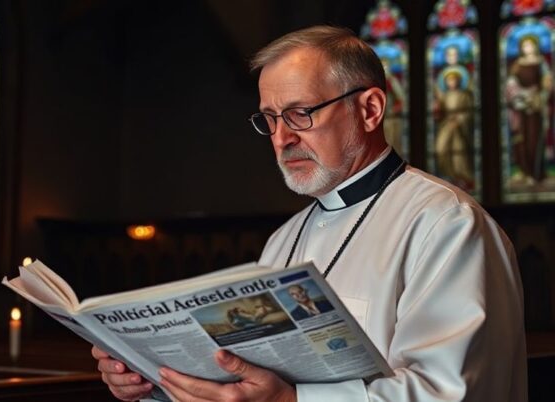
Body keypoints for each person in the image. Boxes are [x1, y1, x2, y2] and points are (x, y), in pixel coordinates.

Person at [92, 26, 526, 402]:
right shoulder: (284, 238)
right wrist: (154, 384)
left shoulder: (446, 224)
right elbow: (244, 383)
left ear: (370, 109)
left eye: (300, 114)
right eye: (270, 119)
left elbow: (450, 392)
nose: (282, 138)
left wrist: (291, 399)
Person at [505, 35, 552, 185]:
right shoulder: (517, 65)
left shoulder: (541, 63)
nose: (528, 48)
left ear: (536, 47)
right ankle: (525, 172)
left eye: (531, 45)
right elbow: (510, 84)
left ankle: (538, 173)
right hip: (521, 108)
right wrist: (520, 97)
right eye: (525, 46)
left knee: (535, 140)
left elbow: (547, 83)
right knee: (521, 140)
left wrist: (540, 96)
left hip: (536, 107)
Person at [434, 68, 475, 189]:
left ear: (459, 81)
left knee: (459, 151)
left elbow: (468, 112)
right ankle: (449, 175)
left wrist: (459, 120)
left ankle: (462, 177)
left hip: (459, 128)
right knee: (441, 149)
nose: (452, 82)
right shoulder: (444, 96)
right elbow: (440, 113)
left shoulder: (464, 95)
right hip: (446, 126)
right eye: (449, 80)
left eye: (454, 80)